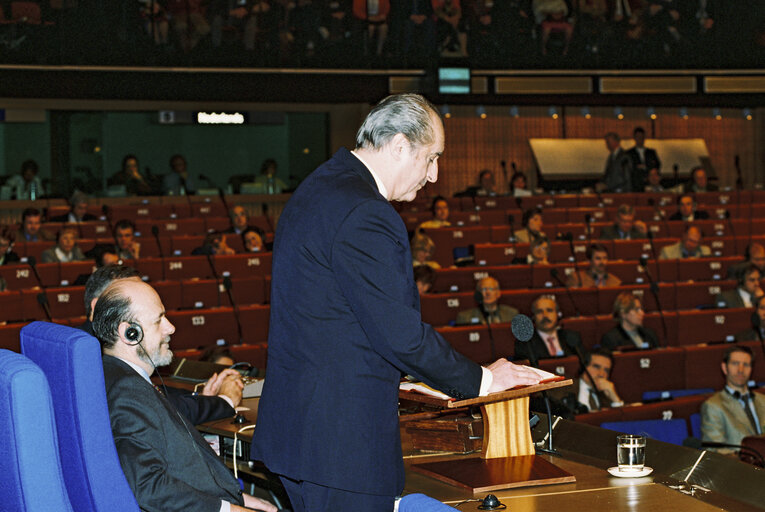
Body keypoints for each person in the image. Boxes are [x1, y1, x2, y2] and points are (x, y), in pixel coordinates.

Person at [253, 94, 540, 512]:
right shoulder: (366, 212)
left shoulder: (321, 185)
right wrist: (483, 380)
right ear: (401, 145)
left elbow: (336, 314)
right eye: (432, 158)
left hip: (302, 433)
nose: (435, 175)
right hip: (340, 446)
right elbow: (400, 335)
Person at [92, 279, 276, 512]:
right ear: (130, 333)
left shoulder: (114, 375)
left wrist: (238, 500)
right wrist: (227, 510)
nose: (171, 328)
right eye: (159, 320)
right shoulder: (127, 391)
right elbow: (149, 487)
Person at [81, 265, 243, 427]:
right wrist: (225, 400)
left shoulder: (110, 358)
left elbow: (155, 393)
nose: (171, 328)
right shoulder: (86, 357)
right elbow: (155, 408)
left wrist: (198, 396)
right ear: (130, 332)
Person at [701, 346, 765, 454]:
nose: (740, 370)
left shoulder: (763, 400)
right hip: (740, 466)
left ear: (751, 369)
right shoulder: (713, 406)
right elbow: (715, 451)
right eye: (735, 364)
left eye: (746, 365)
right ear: (724, 368)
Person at [515, 295, 583, 362]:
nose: (545, 315)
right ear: (533, 317)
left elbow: (584, 363)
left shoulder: (572, 337)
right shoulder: (525, 343)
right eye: (539, 311)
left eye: (549, 310)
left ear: (557, 314)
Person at [626, 126, 661, 192]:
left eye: (642, 137)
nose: (640, 139)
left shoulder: (651, 152)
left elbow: (657, 166)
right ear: (634, 138)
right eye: (638, 137)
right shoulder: (629, 153)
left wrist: (647, 168)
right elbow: (628, 169)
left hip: (651, 185)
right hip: (635, 185)